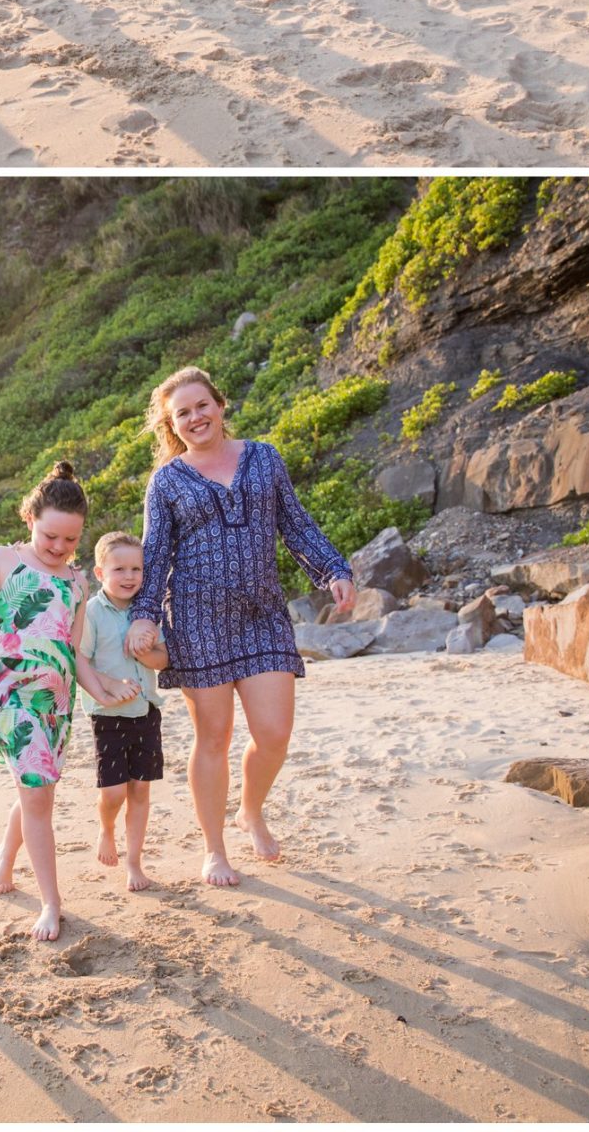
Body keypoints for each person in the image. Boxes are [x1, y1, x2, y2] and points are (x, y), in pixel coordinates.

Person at [124, 367, 355, 888]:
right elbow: (156, 554)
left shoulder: (264, 458)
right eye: (182, 413)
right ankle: (214, 850)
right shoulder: (167, 481)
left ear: (220, 405)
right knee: (214, 736)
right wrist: (144, 615)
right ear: (172, 425)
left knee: (273, 734)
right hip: (197, 619)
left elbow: (294, 523)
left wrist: (333, 570)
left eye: (201, 405)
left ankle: (251, 810)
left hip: (262, 613)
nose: (195, 417)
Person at [0, 462, 138, 941]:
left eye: (70, 541)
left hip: (57, 699)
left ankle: (6, 855)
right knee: (37, 793)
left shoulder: (77, 582)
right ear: (30, 518)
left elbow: (73, 651)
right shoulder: (2, 560)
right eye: (51, 536)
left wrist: (101, 691)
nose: (59, 548)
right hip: (9, 693)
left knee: (37, 791)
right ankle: (52, 903)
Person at [80, 530, 168, 891]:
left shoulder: (146, 614)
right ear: (100, 573)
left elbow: (164, 660)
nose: (129, 576)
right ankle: (106, 828)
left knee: (141, 790)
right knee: (114, 792)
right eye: (119, 569)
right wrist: (107, 684)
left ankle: (134, 862)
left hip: (146, 713)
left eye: (136, 569)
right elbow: (79, 659)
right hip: (108, 715)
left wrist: (145, 652)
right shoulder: (91, 613)